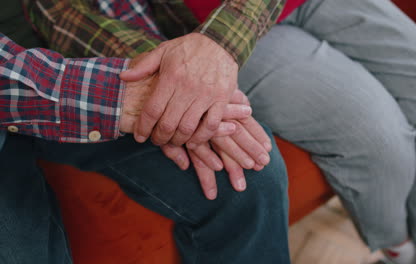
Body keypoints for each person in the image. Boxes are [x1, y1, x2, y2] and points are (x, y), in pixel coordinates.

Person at [26, 0, 416, 263]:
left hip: (237, 24)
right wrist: (170, 78)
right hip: (202, 25)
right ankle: (400, 250)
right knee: (380, 139)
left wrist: (217, 47)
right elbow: (64, 12)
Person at [0, 2, 291, 263]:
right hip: (26, 87)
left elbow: (69, 12)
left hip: (74, 64)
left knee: (250, 173)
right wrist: (115, 97)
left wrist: (181, 77)